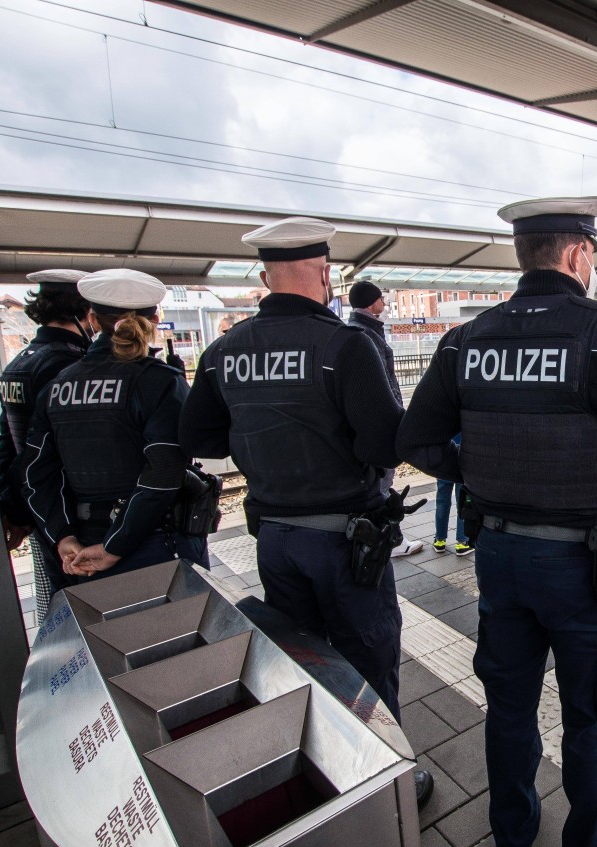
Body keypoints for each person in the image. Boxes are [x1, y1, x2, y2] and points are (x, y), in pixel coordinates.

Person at [397, 196, 597, 847]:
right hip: (587, 567)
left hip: (501, 560)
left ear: (524, 257)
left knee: (508, 711)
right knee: (593, 720)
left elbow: (417, 438)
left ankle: (513, 835)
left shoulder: (466, 339)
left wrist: (475, 472)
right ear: (578, 255)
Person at [177, 217, 434, 808]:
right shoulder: (347, 346)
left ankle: (328, 777)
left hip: (275, 540)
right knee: (367, 660)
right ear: (324, 274)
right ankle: (388, 784)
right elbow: (382, 445)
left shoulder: (224, 349)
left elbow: (203, 438)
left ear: (266, 278)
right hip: (347, 544)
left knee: (306, 659)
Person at [23, 269, 208, 583]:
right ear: (154, 319)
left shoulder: (58, 385)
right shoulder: (160, 381)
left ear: (93, 319)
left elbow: (35, 473)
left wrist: (63, 537)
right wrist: (115, 546)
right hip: (156, 543)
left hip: (83, 548)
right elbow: (163, 473)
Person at [0, 269, 92, 620]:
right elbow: (53, 452)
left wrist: (13, 508)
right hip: (69, 509)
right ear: (84, 311)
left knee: (59, 598)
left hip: (40, 507)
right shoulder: (66, 365)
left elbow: (9, 444)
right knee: (88, 606)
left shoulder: (19, 363)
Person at [347, 280, 424, 557]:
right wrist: (395, 416)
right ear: (372, 303)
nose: (385, 304)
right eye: (381, 299)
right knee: (381, 484)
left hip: (361, 423)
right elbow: (381, 383)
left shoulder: (353, 330)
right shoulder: (367, 334)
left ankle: (381, 536)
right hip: (378, 421)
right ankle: (389, 540)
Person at [433, 434, 471, 556]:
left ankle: (439, 540)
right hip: (462, 454)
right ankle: (462, 541)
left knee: (442, 500)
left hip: (444, 455)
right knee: (463, 500)